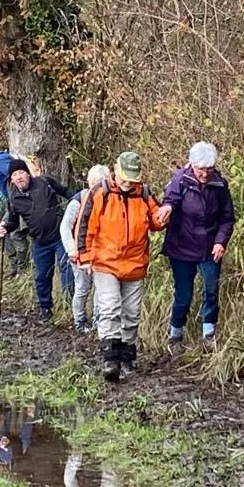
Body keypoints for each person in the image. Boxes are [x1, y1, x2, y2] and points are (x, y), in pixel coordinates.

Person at [75, 151, 167, 382]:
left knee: (132, 314)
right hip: (105, 262)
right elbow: (84, 226)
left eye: (132, 179)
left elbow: (154, 221)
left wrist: (163, 216)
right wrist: (84, 257)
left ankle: (127, 358)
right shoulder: (99, 193)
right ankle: (110, 359)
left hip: (135, 263)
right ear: (115, 171)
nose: (128, 183)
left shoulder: (143, 193)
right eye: (125, 178)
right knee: (110, 307)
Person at [155, 142, 236, 355]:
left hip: (210, 247)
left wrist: (220, 241)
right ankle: (175, 335)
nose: (205, 174)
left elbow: (227, 218)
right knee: (184, 294)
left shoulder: (219, 185)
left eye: (209, 169)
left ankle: (209, 334)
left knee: (211, 289)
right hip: (181, 247)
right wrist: (167, 208)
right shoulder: (180, 180)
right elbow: (170, 199)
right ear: (192, 164)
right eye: (201, 169)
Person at [0, 158, 75, 323]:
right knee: (41, 277)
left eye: (21, 173)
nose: (18, 177)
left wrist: (83, 200)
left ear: (27, 173)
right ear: (11, 179)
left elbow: (66, 192)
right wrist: (4, 226)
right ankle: (45, 309)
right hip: (39, 242)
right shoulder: (13, 198)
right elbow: (12, 221)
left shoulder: (45, 182)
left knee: (67, 271)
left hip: (60, 237)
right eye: (14, 175)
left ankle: (71, 307)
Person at [61, 165, 110, 333]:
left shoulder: (109, 199)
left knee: (101, 288)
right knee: (82, 287)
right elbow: (65, 227)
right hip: (79, 252)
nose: (99, 185)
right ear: (90, 182)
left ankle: (98, 320)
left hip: (101, 252)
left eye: (102, 182)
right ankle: (79, 320)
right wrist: (71, 249)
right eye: (96, 182)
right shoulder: (79, 199)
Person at [0, 146, 30, 277]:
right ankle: (14, 266)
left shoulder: (0, 160)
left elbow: (12, 173)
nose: (17, 177)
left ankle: (22, 268)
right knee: (5, 230)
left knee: (16, 234)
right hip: (11, 202)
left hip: (21, 200)